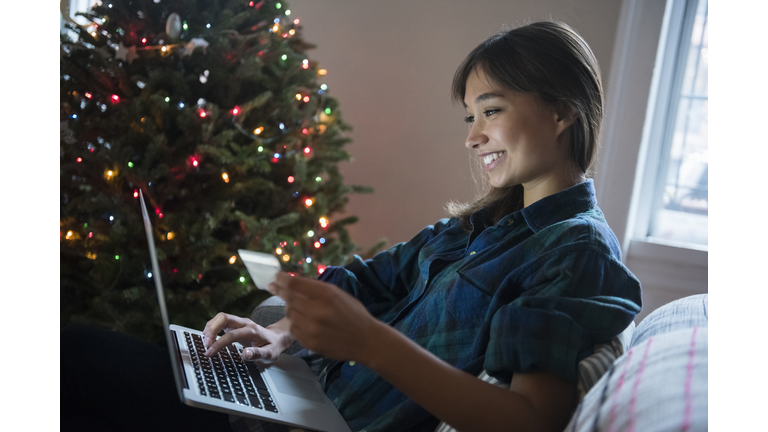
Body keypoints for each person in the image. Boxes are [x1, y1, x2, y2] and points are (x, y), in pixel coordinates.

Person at [61, 21, 641, 432]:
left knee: (69, 369)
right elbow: (370, 278)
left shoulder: (574, 251)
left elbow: (530, 421)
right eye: (470, 118)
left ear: (562, 110)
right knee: (72, 356)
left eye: (491, 111)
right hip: (299, 395)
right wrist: (282, 333)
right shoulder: (488, 222)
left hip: (324, 419)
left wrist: (368, 341)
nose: (471, 137)